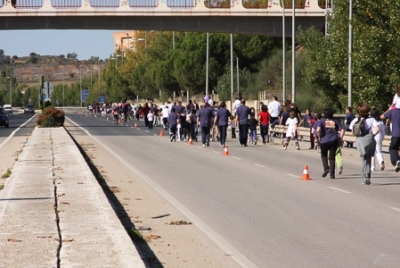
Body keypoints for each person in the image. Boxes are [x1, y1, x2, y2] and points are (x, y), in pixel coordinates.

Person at [350, 103, 379, 185]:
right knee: (369, 157)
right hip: (369, 139)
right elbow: (377, 129)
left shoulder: (356, 120)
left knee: (364, 158)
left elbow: (353, 132)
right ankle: (368, 174)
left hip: (360, 139)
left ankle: (364, 177)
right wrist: (372, 135)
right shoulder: (372, 119)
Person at [317, 108, 345, 179]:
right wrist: (341, 137)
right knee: (332, 157)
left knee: (324, 155)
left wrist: (319, 136)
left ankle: (326, 168)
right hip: (334, 140)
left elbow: (318, 130)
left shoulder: (322, 121)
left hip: (324, 140)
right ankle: (332, 174)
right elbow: (342, 129)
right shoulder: (335, 121)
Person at [381, 102, 400, 172]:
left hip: (396, 134)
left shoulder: (393, 111)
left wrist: (389, 109)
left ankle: (397, 161)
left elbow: (381, 116)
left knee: (393, 148)